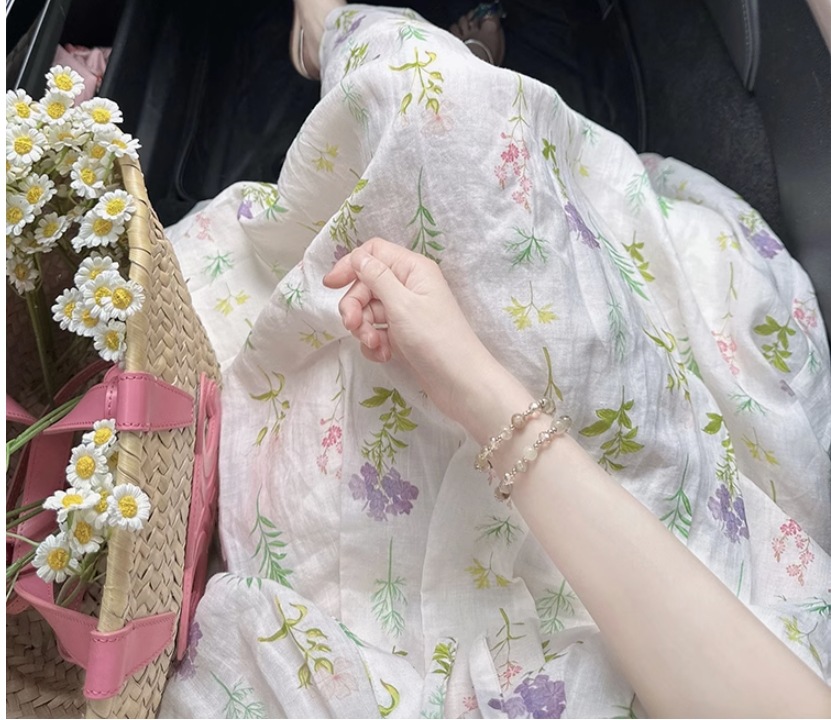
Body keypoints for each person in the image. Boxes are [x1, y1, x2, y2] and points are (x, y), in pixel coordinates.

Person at [160, 2, 831, 718]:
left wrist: (472, 384)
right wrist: (471, 381)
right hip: (673, 561)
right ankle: (375, 42)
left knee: (431, 105)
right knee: (442, 128)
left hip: (462, 583)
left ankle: (336, 31)